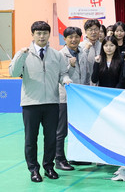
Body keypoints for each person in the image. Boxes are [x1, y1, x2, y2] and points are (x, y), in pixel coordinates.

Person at [10, 21, 72, 183]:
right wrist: (21, 55)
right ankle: (34, 169)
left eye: (44, 33)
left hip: (52, 102)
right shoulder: (24, 53)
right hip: (30, 104)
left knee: (51, 138)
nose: (42, 36)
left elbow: (63, 73)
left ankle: (49, 167)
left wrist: (66, 80)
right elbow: (13, 72)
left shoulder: (56, 55)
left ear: (49, 34)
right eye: (38, 33)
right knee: (31, 139)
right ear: (33, 35)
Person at [55, 27, 89, 171]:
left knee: (78, 128)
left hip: (79, 98)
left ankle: (76, 156)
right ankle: (59, 159)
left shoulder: (83, 52)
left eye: (76, 37)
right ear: (65, 39)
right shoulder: (60, 55)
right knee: (61, 131)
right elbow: (59, 75)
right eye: (70, 37)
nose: (73, 40)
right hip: (65, 98)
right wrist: (71, 65)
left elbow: (86, 74)